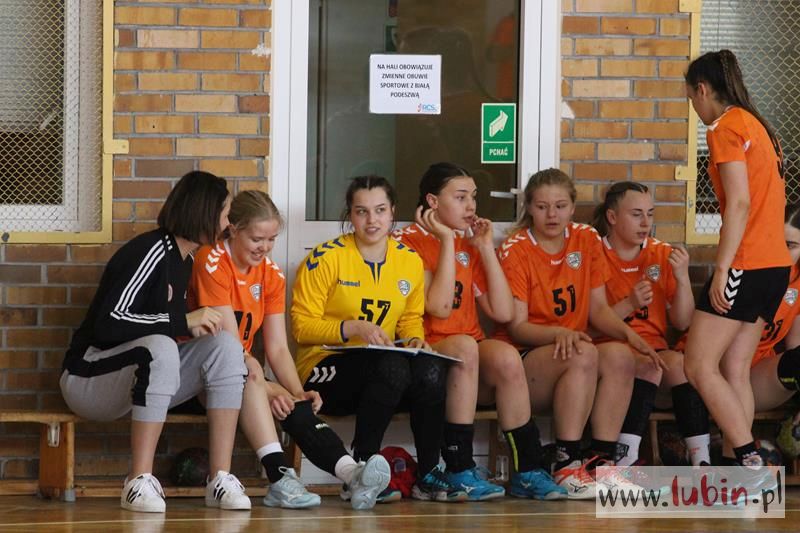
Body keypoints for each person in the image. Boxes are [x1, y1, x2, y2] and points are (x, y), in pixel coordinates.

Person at [60, 171, 250, 513]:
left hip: (136, 380)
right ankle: (138, 481)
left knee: (226, 346)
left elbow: (159, 326)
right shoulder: (150, 249)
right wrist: (181, 321)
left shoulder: (186, 260)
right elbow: (109, 323)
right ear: (203, 212)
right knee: (160, 347)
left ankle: (220, 479)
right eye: (225, 215)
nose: (228, 225)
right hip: (88, 379)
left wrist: (187, 328)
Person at [189, 190, 391, 510]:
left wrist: (298, 392)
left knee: (290, 400)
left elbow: (278, 348)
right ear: (234, 229)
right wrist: (272, 388)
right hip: (203, 371)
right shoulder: (211, 261)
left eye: (272, 239)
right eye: (257, 239)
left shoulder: (271, 273)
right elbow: (229, 345)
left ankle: (352, 474)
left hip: (244, 372)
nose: (265, 247)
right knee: (254, 378)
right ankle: (281, 479)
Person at [394, 162, 566, 501]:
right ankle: (459, 467)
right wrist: (446, 241)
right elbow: (439, 307)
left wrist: (485, 247)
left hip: (467, 352)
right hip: (426, 352)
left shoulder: (468, 242)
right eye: (460, 197)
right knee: (464, 347)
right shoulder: (406, 242)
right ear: (432, 201)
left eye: (473, 197)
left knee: (505, 357)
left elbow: (502, 312)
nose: (471, 206)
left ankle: (528, 470)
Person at [291, 175, 466, 502]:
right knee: (392, 367)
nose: (372, 220)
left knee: (429, 369)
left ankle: (428, 473)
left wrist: (414, 340)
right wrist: (352, 328)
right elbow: (301, 327)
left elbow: (410, 319)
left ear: (392, 212)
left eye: (380, 210)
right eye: (362, 211)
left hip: (383, 373)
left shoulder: (408, 260)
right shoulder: (325, 258)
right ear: (350, 214)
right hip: (324, 370)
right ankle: (362, 471)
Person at [494, 168, 666, 497]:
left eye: (560, 206)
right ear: (529, 207)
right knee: (583, 351)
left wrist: (631, 337)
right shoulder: (517, 248)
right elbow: (517, 326)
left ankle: (602, 463)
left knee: (620, 355)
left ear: (572, 207)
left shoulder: (585, 238)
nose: (552, 215)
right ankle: (566, 463)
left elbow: (598, 310)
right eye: (542, 206)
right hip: (528, 360)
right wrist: (560, 333)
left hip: (574, 353)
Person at [683, 49, 792, 468]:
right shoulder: (760, 126)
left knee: (698, 365)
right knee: (735, 367)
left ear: (703, 89)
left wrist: (723, 268)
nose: (694, 109)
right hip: (775, 265)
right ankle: (737, 471)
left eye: (691, 98)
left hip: (747, 263)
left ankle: (748, 458)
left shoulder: (725, 127)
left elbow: (740, 203)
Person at [592, 181, 711, 467]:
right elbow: (589, 324)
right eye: (636, 214)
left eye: (650, 214)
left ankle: (702, 462)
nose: (646, 223)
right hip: (610, 351)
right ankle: (625, 458)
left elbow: (682, 321)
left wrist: (682, 278)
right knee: (649, 365)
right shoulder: (593, 253)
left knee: (683, 365)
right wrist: (629, 304)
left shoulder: (660, 253)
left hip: (654, 349)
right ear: (612, 217)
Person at [737, 202, 800, 460]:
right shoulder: (746, 271)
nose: (782, 253)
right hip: (724, 375)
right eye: (777, 242)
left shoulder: (798, 280)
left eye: (791, 246)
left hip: (759, 374)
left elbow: (795, 347)